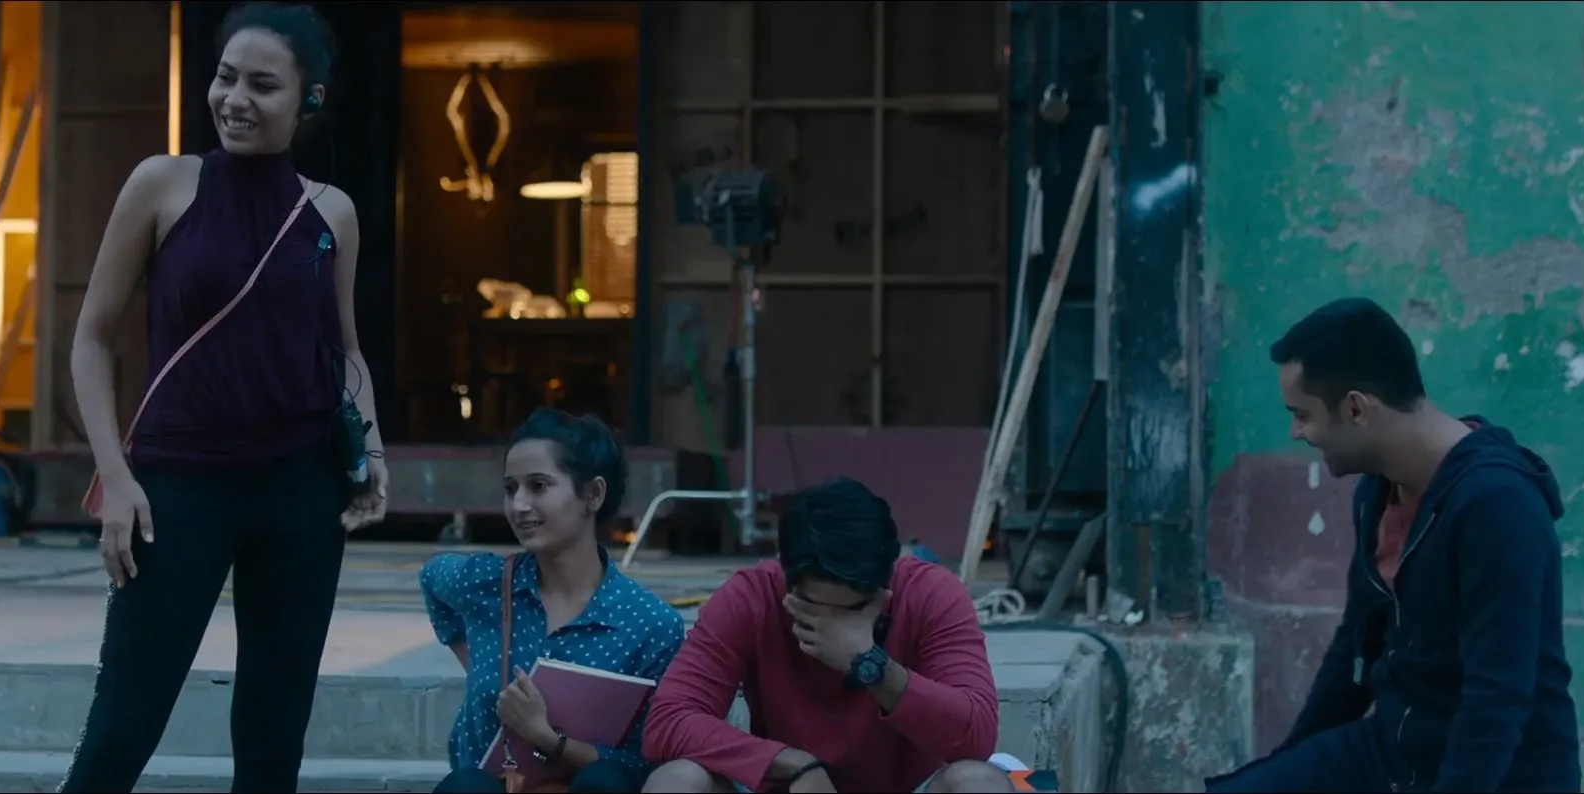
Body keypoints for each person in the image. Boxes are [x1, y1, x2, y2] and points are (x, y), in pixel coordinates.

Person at [60, 4, 390, 791]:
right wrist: (117, 478)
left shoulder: (332, 211)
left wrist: (372, 448)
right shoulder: (163, 183)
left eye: (263, 85)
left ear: (308, 99)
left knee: (274, 736)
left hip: (301, 491)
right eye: (225, 77)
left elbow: (345, 350)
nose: (235, 99)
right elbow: (90, 341)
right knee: (122, 726)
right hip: (175, 488)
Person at [1205, 297, 1579, 793]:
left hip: (1499, 775)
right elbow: (1355, 651)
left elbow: (1497, 700)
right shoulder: (1377, 490)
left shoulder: (1497, 505)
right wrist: (1286, 769)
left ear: (1356, 408)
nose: (1296, 433)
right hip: (1394, 754)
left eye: (1302, 415)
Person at [641, 477, 1014, 793]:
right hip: (790, 785)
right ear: (787, 578)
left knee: (979, 782)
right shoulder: (752, 597)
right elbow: (668, 720)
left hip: (909, 786)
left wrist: (871, 664)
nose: (830, 624)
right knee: (676, 781)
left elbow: (977, 737)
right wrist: (793, 764)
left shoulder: (931, 594)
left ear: (885, 586)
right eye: (812, 607)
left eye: (852, 610)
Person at [422, 408, 687, 793]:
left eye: (538, 486)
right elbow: (431, 578)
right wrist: (475, 659)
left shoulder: (649, 624)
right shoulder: (484, 582)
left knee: (606, 783)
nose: (518, 505)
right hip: (493, 786)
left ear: (593, 494)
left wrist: (545, 737)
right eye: (510, 489)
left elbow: (642, 760)